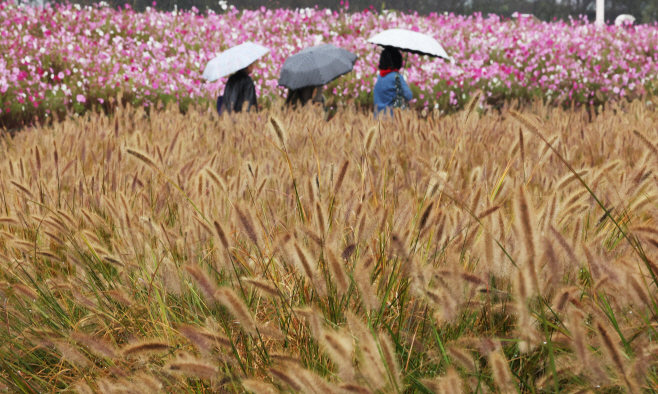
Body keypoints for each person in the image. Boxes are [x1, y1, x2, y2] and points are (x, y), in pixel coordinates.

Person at [373, 47, 413, 118]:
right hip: (390, 119)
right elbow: (409, 95)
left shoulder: (379, 77)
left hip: (377, 118)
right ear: (397, 60)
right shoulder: (396, 77)